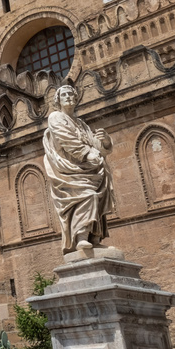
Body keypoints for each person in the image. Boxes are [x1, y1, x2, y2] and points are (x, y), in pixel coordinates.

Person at [42, 83, 114, 253]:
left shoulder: (81, 123)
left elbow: (94, 144)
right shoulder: (55, 117)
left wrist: (104, 142)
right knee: (87, 195)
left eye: (71, 94)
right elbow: (66, 139)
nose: (68, 97)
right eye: (64, 95)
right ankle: (81, 236)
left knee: (98, 196)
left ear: (76, 98)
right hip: (69, 170)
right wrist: (86, 153)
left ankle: (94, 237)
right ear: (58, 100)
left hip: (88, 169)